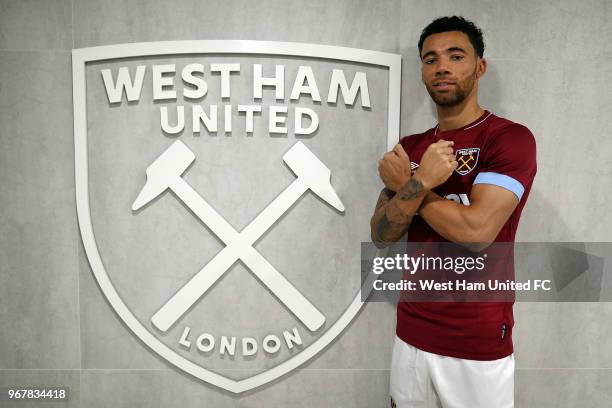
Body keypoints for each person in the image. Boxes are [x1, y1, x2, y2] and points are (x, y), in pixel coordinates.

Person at [370, 16, 537, 408]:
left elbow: (477, 233)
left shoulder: (508, 139)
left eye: (455, 55)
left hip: (475, 343)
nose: (441, 66)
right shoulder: (410, 146)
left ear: (479, 67)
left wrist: (414, 185)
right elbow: (381, 234)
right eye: (430, 59)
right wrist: (416, 179)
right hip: (410, 335)